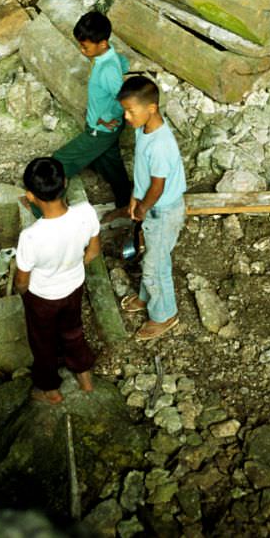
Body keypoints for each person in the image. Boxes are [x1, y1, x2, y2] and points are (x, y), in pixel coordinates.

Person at [15, 156, 100, 405]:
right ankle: (85, 378)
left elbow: (22, 280)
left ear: (30, 196)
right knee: (73, 331)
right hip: (74, 287)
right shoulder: (86, 212)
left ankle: (50, 389)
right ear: (64, 182)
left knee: (43, 342)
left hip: (43, 297)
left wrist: (22, 293)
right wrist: (70, 266)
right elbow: (93, 252)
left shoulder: (30, 237)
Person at [36, 11, 131, 222]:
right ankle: (126, 202)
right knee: (111, 164)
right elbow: (125, 64)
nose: (82, 50)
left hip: (101, 130)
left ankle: (42, 207)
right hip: (105, 129)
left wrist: (109, 118)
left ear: (103, 43)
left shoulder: (107, 70)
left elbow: (123, 96)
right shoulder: (108, 56)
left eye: (85, 46)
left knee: (60, 161)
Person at [117, 75, 186, 341]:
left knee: (156, 265)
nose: (126, 117)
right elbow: (143, 173)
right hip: (153, 206)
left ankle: (164, 315)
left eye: (130, 111)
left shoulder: (160, 145)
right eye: (125, 110)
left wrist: (143, 207)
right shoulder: (143, 130)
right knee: (152, 258)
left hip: (163, 211)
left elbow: (157, 185)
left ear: (151, 108)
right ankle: (148, 297)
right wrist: (135, 196)